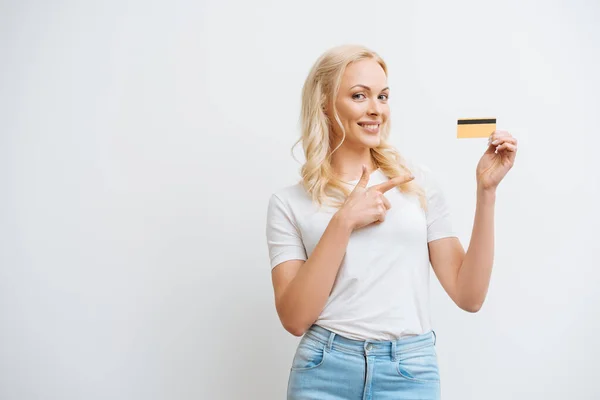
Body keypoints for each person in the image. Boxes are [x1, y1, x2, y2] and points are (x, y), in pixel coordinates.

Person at [265, 44, 517, 400]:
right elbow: (294, 319)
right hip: (324, 371)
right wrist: (343, 222)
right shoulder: (288, 203)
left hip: (409, 372)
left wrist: (486, 193)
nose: (375, 109)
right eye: (359, 95)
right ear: (324, 103)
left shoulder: (416, 183)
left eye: (382, 96)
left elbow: (469, 295)